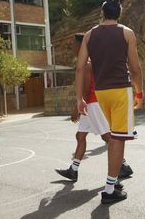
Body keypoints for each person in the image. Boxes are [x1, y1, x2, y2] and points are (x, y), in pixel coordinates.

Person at [75, 0, 144, 204]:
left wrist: (79, 98)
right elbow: (135, 69)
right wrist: (139, 93)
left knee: (113, 137)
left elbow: (79, 68)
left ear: (102, 13)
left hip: (101, 93)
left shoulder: (89, 35)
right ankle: (109, 188)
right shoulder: (127, 33)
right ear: (119, 14)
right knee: (118, 139)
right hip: (121, 90)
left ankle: (111, 183)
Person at [55, 33, 133, 182]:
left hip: (93, 103)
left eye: (73, 44)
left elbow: (85, 89)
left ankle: (122, 166)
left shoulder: (87, 64)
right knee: (80, 135)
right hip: (90, 103)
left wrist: (76, 109)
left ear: (80, 45)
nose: (72, 47)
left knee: (107, 137)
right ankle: (73, 170)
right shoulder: (89, 61)